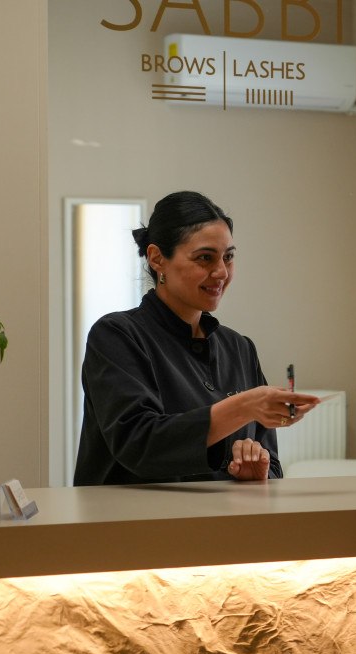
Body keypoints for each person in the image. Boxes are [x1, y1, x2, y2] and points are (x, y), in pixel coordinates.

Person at [73, 191, 319, 486]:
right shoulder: (116, 335)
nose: (221, 272)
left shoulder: (239, 348)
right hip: (131, 515)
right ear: (157, 258)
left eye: (228, 257)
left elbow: (273, 466)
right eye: (205, 258)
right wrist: (244, 406)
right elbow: (139, 444)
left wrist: (258, 470)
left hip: (221, 515)